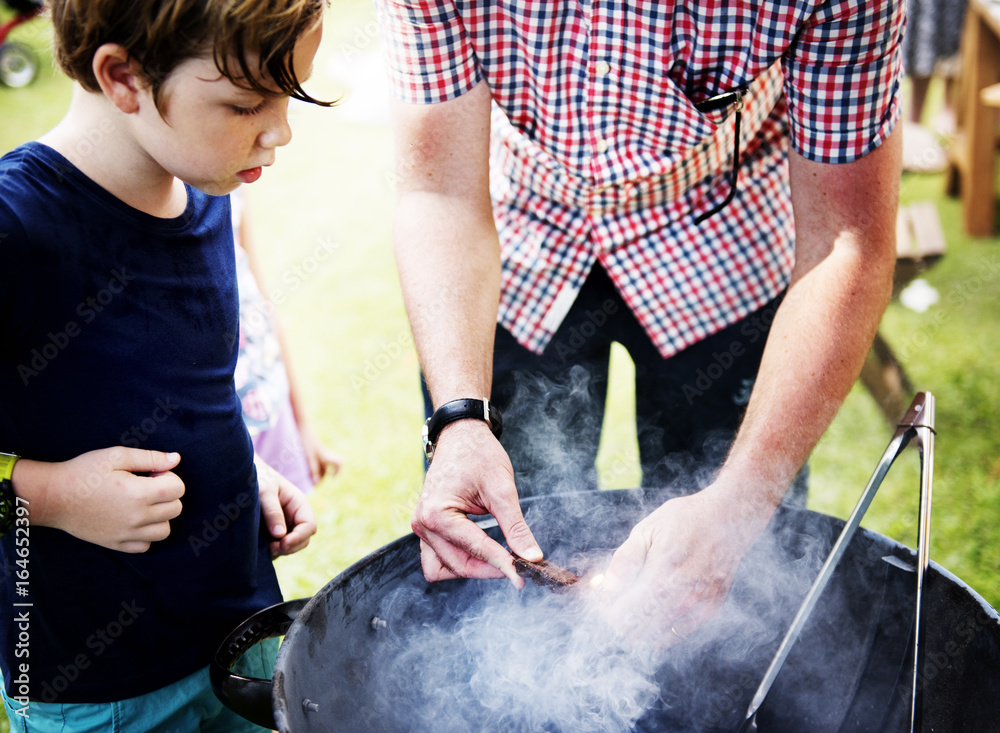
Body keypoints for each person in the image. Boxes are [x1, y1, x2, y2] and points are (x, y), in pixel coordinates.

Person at [375, 1, 904, 645]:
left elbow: (845, 239)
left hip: (718, 228)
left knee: (731, 584)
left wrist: (738, 506)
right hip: (528, 226)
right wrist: (459, 418)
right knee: (506, 555)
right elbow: (442, 192)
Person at [0, 0, 328, 729]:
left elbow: (180, 390)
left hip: (243, 643)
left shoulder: (207, 191)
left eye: (289, 96)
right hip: (97, 687)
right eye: (247, 103)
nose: (280, 131)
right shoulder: (17, 226)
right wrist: (51, 495)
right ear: (122, 78)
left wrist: (246, 470)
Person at [231, 188, 342, 493]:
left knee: (287, 526)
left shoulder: (232, 188)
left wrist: (302, 423)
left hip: (269, 399)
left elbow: (262, 299)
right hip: (220, 425)